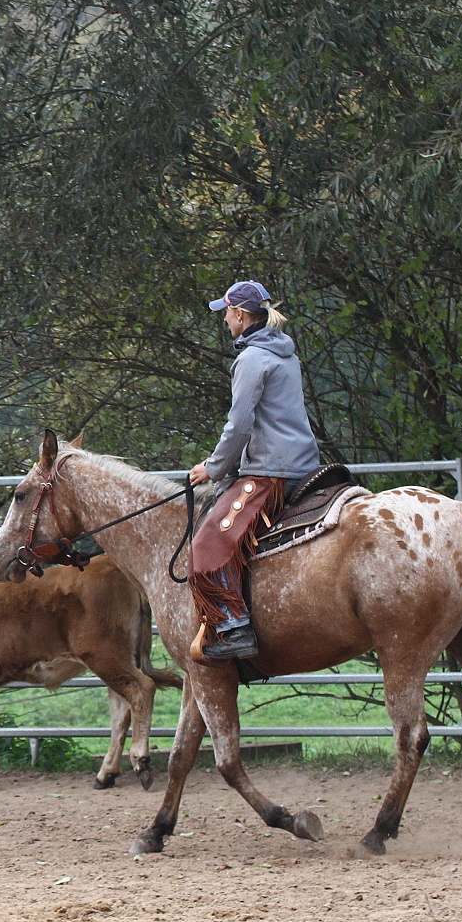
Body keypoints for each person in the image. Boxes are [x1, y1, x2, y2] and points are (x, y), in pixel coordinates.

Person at [186, 280, 322, 661]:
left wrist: (213, 468)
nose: (226, 320)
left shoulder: (250, 359)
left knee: (208, 542)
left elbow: (239, 425)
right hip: (303, 462)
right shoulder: (284, 353)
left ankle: (232, 625)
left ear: (241, 316)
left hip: (270, 470)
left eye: (227, 313)